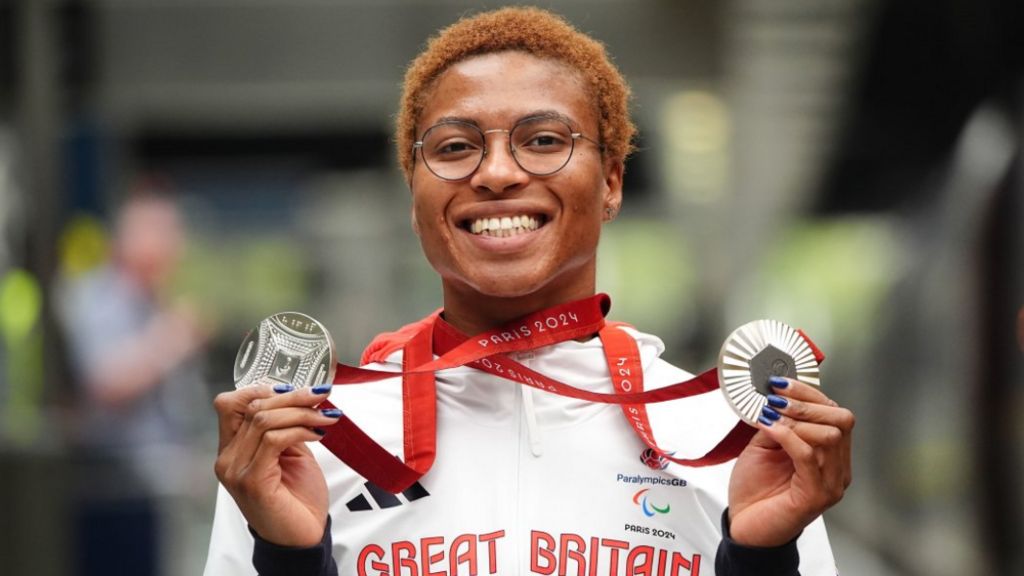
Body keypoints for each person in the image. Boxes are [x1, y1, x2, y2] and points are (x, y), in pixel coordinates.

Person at [205, 7, 854, 575]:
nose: (495, 172)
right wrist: (292, 561)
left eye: (543, 141)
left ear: (611, 184)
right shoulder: (303, 443)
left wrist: (761, 559)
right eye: (455, 147)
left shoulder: (729, 440)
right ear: (415, 196)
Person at [59, 191, 212, 575]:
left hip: (161, 495)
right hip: (114, 494)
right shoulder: (96, 297)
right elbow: (107, 383)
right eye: (161, 232)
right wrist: (170, 340)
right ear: (127, 238)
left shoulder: (156, 300)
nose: (174, 244)